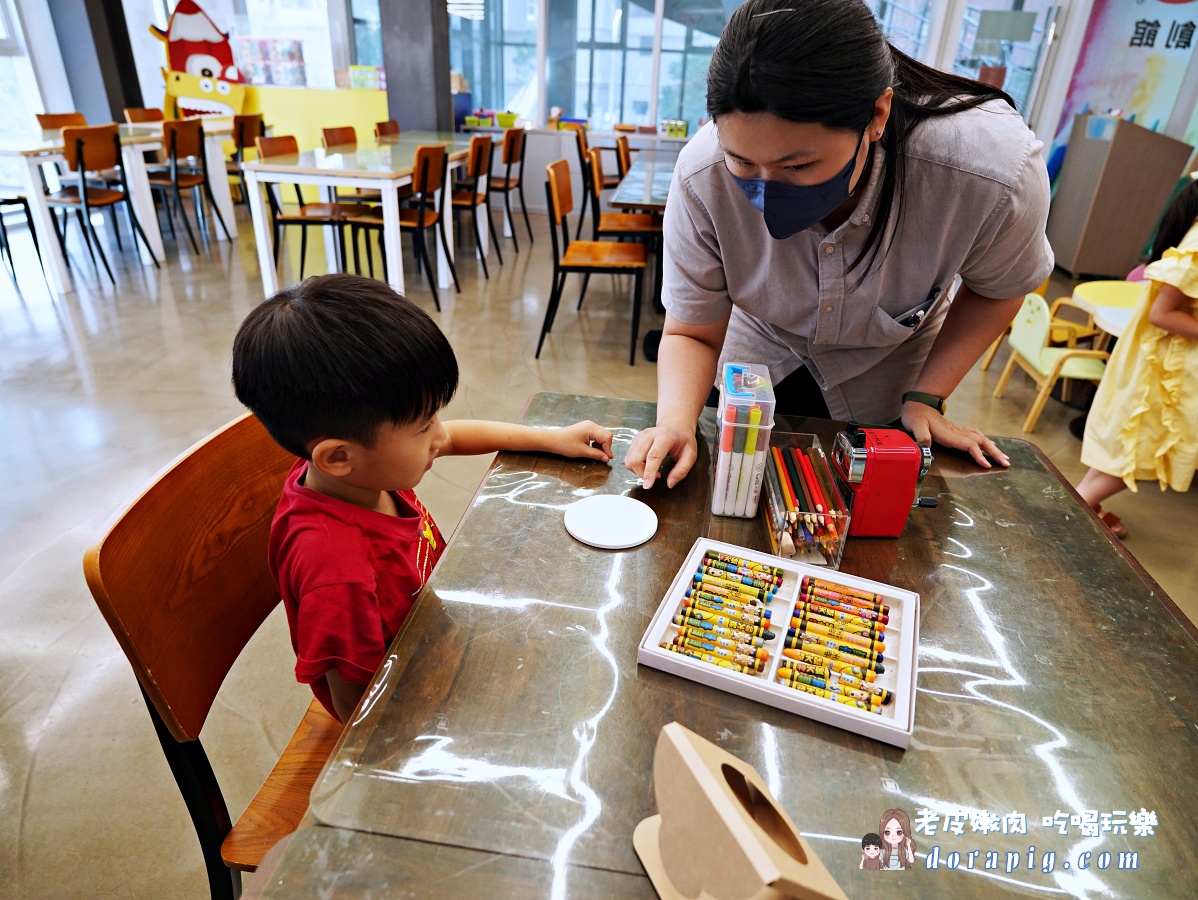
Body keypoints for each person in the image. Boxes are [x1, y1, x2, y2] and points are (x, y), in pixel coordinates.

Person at [628, 0, 1053, 490]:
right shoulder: (701, 176)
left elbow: (999, 287)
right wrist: (677, 423)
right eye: (742, 162)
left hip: (889, 376)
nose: (768, 190)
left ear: (877, 114)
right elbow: (692, 333)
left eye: (798, 166)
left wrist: (928, 397)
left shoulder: (987, 170)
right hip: (759, 360)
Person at [231, 274, 614, 722]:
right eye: (423, 426)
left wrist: (550, 439)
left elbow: (452, 437)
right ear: (337, 456)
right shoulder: (336, 571)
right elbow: (357, 710)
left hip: (431, 631)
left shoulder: (354, 474)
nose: (439, 435)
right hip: (407, 703)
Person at [1076, 179, 1198, 538]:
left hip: (1159, 362)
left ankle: (1087, 507)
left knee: (1123, 447)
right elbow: (1163, 312)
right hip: (1163, 369)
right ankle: (1075, 518)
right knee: (1135, 453)